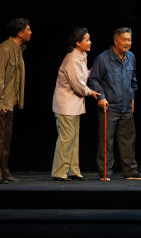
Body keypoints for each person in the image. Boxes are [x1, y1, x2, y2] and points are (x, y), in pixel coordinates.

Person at [89, 27, 141, 180]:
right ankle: (105, 172)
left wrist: (132, 97)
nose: (128, 43)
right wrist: (101, 97)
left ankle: (130, 171)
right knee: (106, 141)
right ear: (116, 41)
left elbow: (133, 79)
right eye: (124, 40)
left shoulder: (131, 57)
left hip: (126, 106)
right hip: (109, 107)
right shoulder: (103, 59)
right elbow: (94, 79)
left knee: (128, 140)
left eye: (129, 40)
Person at [0, 18, 32, 184]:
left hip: (8, 102)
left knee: (5, 139)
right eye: (28, 29)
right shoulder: (4, 49)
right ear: (20, 33)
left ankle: (3, 171)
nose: (30, 32)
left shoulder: (17, 50)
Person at [50, 27, 101, 181]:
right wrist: (91, 92)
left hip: (74, 105)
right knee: (66, 139)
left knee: (73, 139)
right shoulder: (72, 58)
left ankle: (73, 170)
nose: (90, 42)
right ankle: (59, 172)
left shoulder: (82, 56)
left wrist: (94, 72)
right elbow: (77, 85)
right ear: (78, 43)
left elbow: (82, 76)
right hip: (66, 105)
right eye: (87, 40)